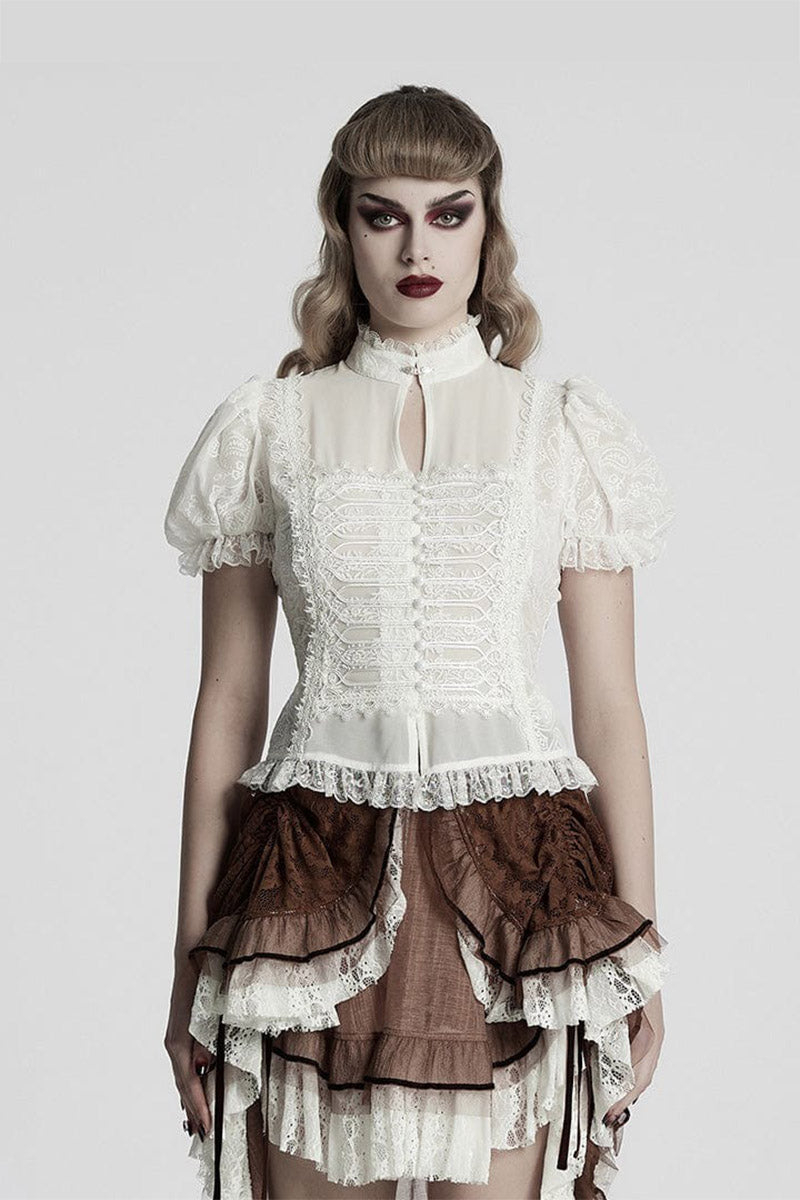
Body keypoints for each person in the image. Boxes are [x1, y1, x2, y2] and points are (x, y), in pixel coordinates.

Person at [162, 84, 676, 1200]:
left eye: (448, 213)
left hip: (517, 884)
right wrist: (187, 954)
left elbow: (609, 706)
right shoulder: (269, 426)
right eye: (382, 214)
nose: (416, 248)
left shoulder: (560, 429)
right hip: (307, 875)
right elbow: (228, 703)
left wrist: (637, 947)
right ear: (341, 226)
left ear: (488, 224)